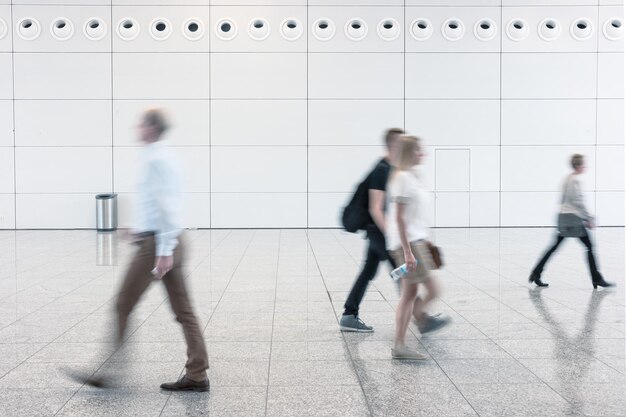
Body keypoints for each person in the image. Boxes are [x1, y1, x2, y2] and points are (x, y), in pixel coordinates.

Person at [75, 109, 210, 392]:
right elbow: (160, 205)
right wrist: (138, 230)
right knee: (184, 311)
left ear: (151, 128)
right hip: (167, 239)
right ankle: (197, 374)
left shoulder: (156, 159)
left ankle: (107, 373)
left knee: (123, 304)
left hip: (157, 245)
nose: (137, 126)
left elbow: (167, 206)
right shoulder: (164, 156)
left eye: (141, 123)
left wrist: (163, 251)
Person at [386, 136, 447, 360]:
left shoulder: (414, 177)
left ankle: (400, 345)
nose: (423, 154)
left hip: (417, 240)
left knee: (409, 294)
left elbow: (415, 215)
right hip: (408, 244)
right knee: (433, 289)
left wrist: (426, 239)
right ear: (410, 152)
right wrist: (408, 251)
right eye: (419, 150)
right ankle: (420, 318)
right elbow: (399, 218)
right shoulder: (402, 178)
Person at [339, 128, 403, 332]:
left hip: (376, 231)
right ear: (394, 145)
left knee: (368, 271)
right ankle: (421, 318)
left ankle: (349, 315)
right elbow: (376, 207)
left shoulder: (388, 168)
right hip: (378, 231)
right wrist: (391, 235)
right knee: (402, 271)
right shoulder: (382, 170)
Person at [529, 154, 614, 289]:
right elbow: (579, 202)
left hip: (563, 217)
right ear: (578, 166)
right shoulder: (576, 181)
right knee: (589, 246)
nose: (585, 167)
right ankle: (597, 278)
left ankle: (535, 273)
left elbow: (563, 201)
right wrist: (589, 219)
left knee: (554, 247)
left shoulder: (566, 179)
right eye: (584, 164)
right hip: (573, 219)